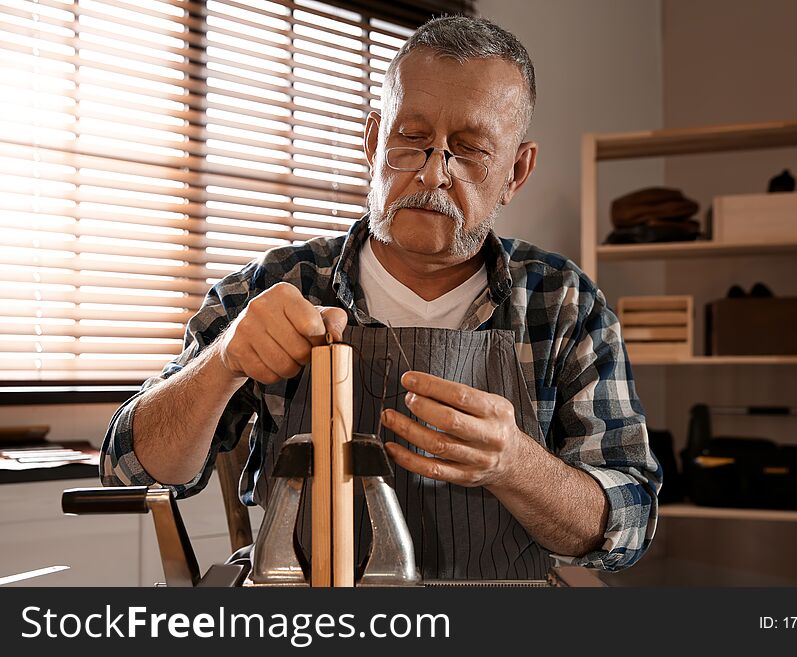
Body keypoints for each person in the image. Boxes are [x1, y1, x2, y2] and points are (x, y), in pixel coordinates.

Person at [101, 15, 661, 579]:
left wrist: (516, 465)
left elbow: (628, 524)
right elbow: (130, 468)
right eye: (411, 140)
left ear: (516, 171)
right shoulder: (277, 284)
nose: (431, 174)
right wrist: (222, 363)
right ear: (373, 141)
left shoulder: (562, 303)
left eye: (467, 151)